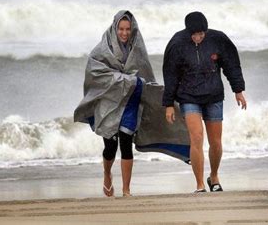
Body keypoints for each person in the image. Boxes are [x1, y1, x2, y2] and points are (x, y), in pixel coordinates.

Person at [74, 10, 191, 198]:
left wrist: (164, 95)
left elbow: (145, 75)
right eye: (121, 28)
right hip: (109, 103)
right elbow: (95, 73)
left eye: (128, 29)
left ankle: (126, 190)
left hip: (131, 101)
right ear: (115, 28)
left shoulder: (137, 48)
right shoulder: (101, 49)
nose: (124, 33)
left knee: (126, 143)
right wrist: (125, 79)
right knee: (110, 147)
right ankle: (107, 173)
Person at [162, 11, 247, 193]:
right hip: (188, 96)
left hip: (213, 95)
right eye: (196, 34)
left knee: (215, 142)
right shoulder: (177, 44)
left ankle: (214, 177)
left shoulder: (218, 39)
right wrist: (168, 103)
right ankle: (200, 184)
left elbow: (231, 65)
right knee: (197, 137)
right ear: (188, 32)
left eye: (202, 34)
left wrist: (238, 90)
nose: (199, 37)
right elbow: (170, 75)